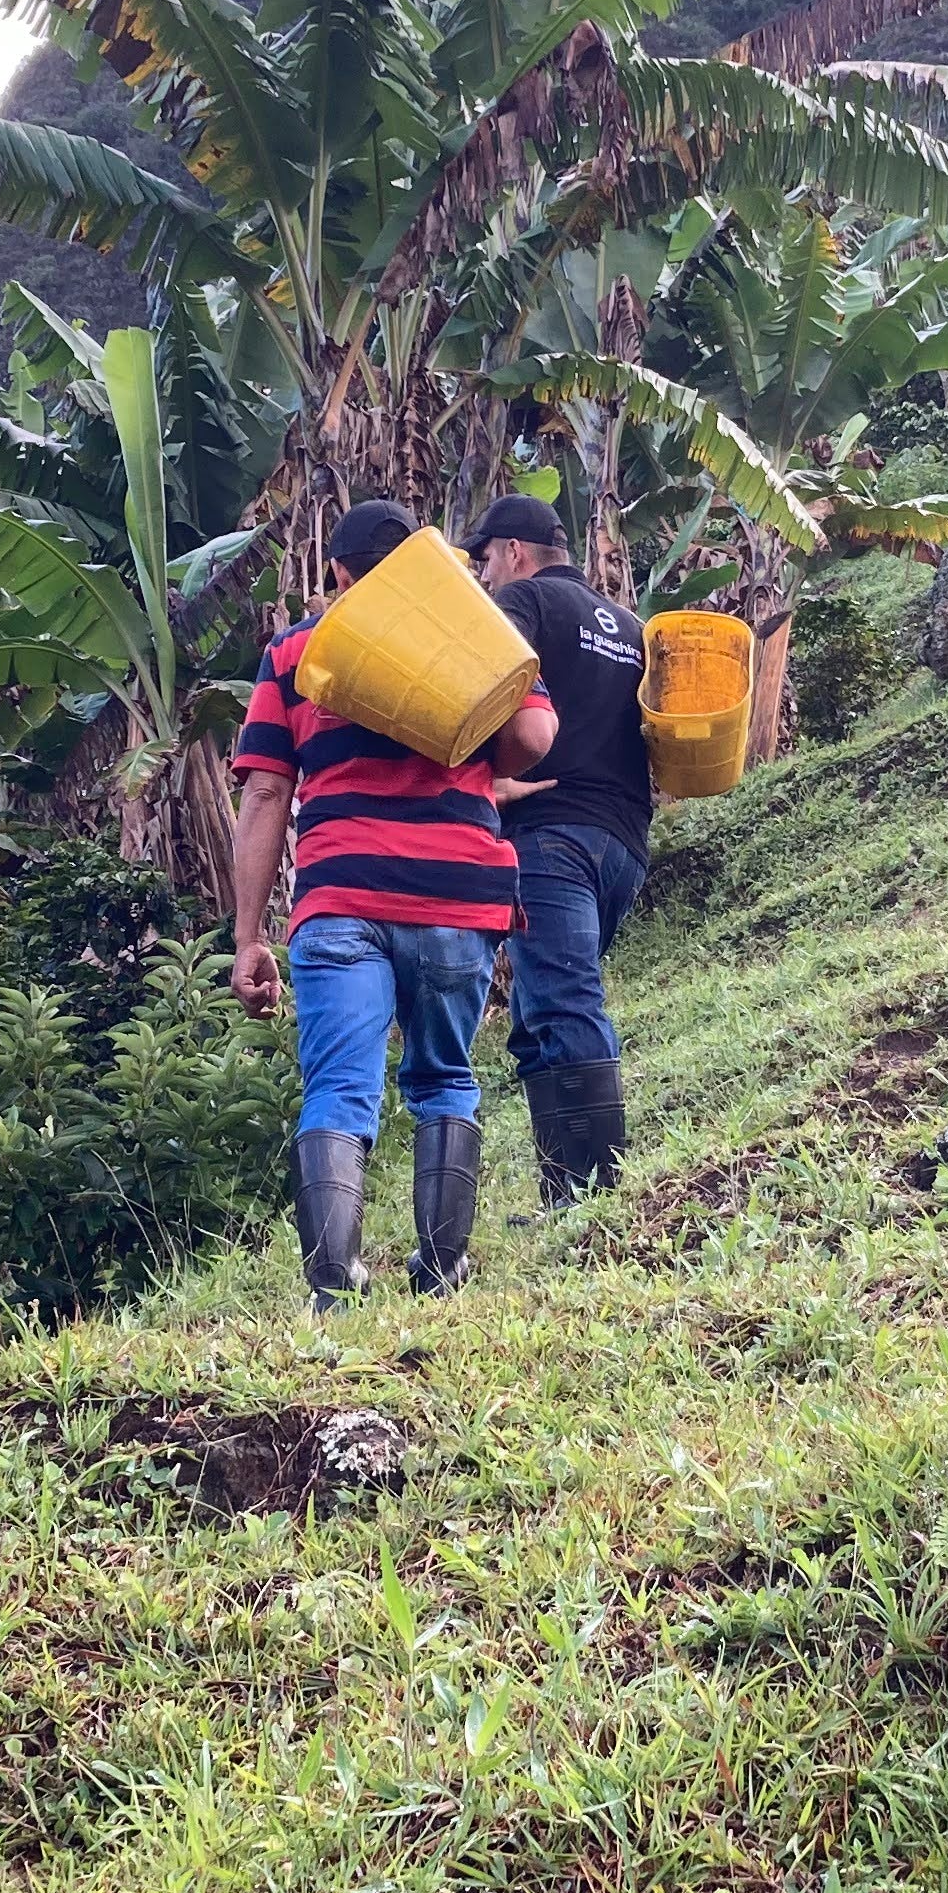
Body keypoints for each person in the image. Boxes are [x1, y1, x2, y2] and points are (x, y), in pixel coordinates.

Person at [228, 501, 559, 1305]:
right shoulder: (469, 630)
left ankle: (332, 1290)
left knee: (340, 1087)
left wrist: (247, 936)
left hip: (342, 897)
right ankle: (442, 1272)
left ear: (339, 574)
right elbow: (535, 740)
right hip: (456, 892)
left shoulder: (296, 652)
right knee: (445, 1077)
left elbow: (268, 791)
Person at [466, 491, 651, 1203]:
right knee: (548, 1005)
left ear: (514, 552)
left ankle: (594, 1193)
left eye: (485, 561)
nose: (483, 579)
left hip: (553, 838)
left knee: (563, 1003)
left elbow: (485, 689)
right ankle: (564, 1191)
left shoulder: (526, 606)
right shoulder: (631, 627)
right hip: (625, 848)